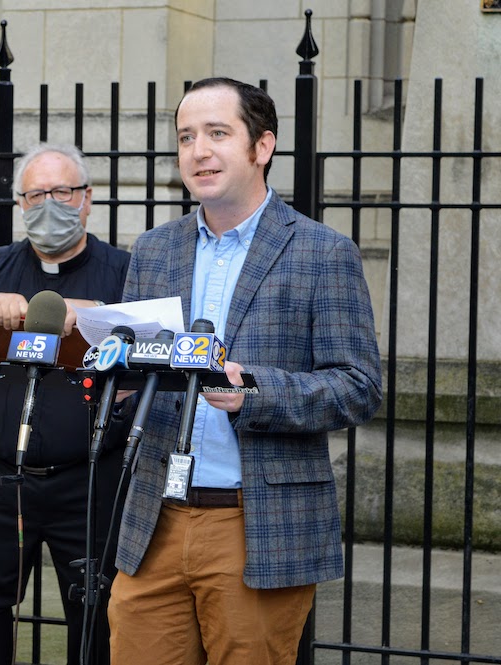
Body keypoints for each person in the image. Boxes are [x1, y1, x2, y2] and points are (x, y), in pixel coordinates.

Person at [106, 78, 383, 665]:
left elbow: (358, 387)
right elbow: (139, 369)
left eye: (217, 134)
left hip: (255, 521)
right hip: (153, 519)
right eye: (186, 137)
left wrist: (252, 390)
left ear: (262, 147)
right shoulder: (154, 249)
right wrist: (119, 379)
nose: (198, 151)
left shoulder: (321, 252)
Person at [0, 143, 131, 665]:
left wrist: (87, 315)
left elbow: (148, 344)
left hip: (89, 480)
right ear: (21, 204)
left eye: (62, 192)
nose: (50, 204)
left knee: (101, 610)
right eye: (36, 194)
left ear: (87, 199)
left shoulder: (122, 270)